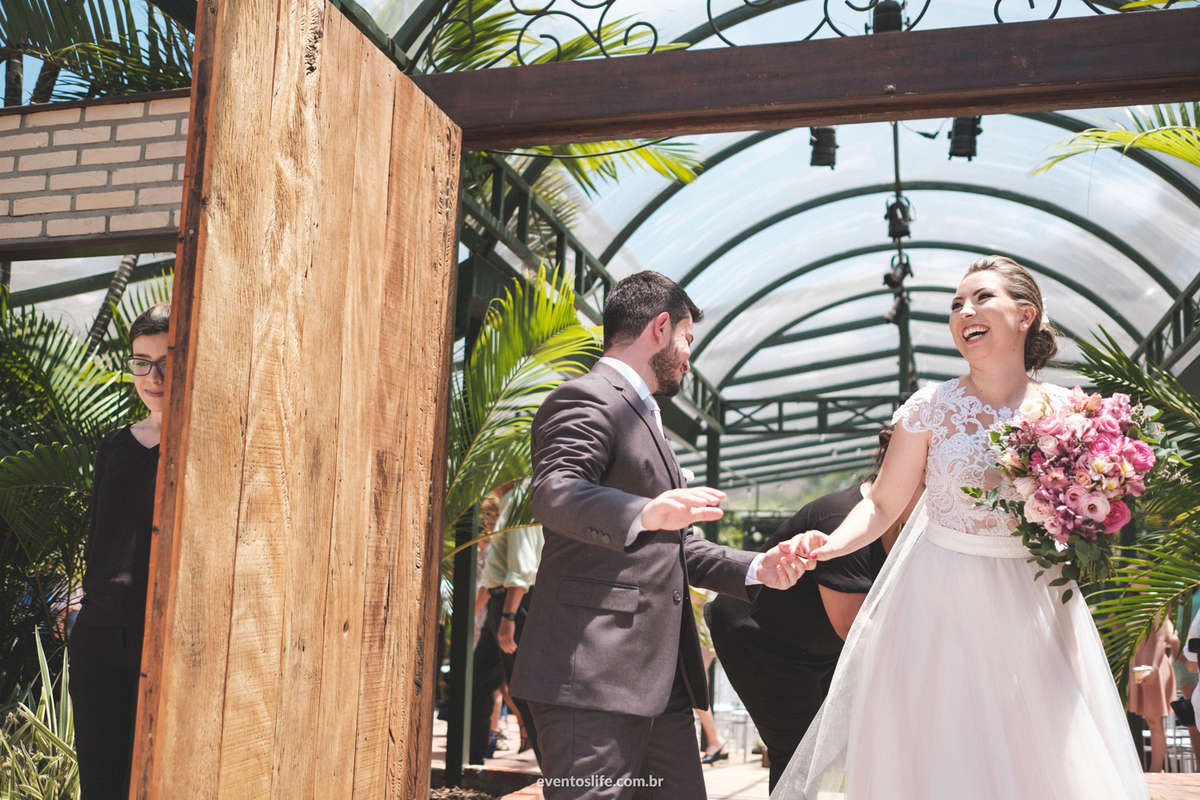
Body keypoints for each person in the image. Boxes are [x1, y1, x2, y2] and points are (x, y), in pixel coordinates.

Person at [774, 256, 1149, 800]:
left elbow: (1091, 512)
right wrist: (829, 546)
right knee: (944, 752)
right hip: (937, 600)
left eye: (981, 298)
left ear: (1026, 315)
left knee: (1044, 752)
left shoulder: (1071, 412)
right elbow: (881, 505)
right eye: (956, 305)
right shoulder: (929, 408)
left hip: (1034, 598)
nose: (964, 312)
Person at [509, 270, 804, 800]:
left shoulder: (645, 416)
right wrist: (646, 511)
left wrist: (759, 567)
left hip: (658, 685)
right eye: (687, 339)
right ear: (660, 327)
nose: (689, 357)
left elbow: (676, 543)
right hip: (590, 680)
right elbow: (555, 492)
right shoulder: (586, 397)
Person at [707, 429, 921, 791]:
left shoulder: (908, 524)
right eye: (930, 486)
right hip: (761, 640)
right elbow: (851, 625)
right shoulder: (840, 519)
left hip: (818, 648)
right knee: (797, 755)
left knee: (828, 751)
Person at [70, 301, 170, 800]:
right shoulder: (115, 445)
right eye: (141, 362)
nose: (153, 377)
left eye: (166, 362)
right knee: (102, 786)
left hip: (167, 638)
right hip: (99, 637)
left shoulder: (206, 443)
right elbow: (100, 536)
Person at [470, 483, 544, 764]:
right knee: (478, 680)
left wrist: (508, 617)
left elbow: (522, 567)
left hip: (512, 604)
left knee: (524, 690)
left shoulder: (518, 500)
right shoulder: (511, 501)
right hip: (500, 602)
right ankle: (474, 758)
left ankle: (554, 771)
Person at [1128, 613, 1179, 772]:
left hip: (1152, 665)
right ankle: (1154, 769)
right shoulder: (1136, 605)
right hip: (1139, 664)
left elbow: (1162, 639)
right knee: (1150, 719)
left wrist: (1154, 669)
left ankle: (1156, 769)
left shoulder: (1157, 605)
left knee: (1154, 720)